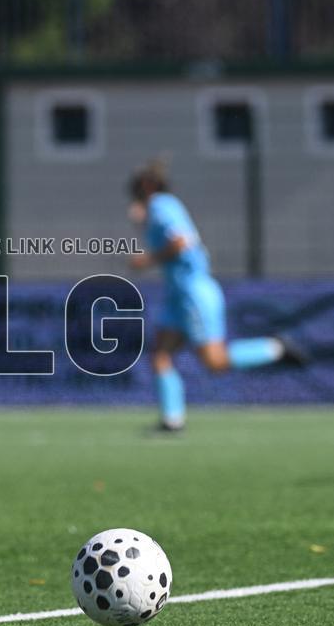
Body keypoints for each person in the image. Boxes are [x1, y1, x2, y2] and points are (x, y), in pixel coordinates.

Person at [128, 159, 303, 432]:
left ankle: (275, 348)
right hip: (178, 294)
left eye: (138, 188)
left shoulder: (162, 204)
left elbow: (182, 242)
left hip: (193, 291)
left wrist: (147, 259)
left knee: (214, 361)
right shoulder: (156, 210)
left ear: (149, 186)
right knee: (160, 355)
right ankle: (172, 420)